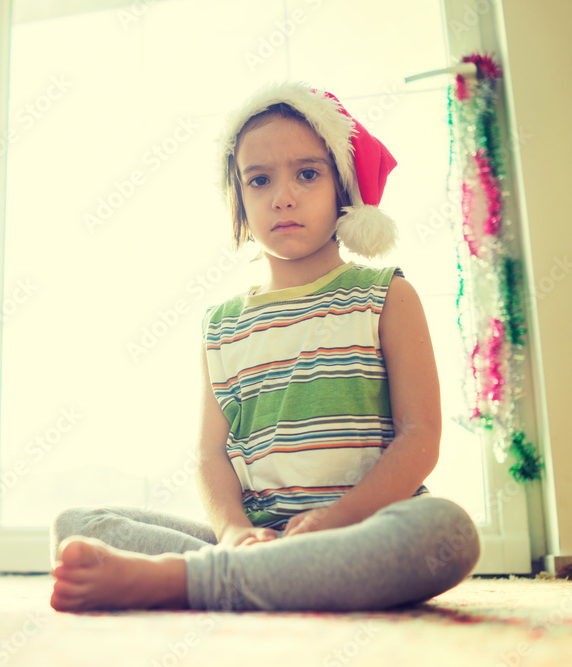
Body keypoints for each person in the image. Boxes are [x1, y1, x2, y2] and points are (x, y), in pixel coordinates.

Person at [50, 82, 481, 612]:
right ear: (240, 199)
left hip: (362, 530)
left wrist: (335, 520)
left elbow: (421, 437)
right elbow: (211, 454)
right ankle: (244, 572)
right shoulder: (221, 325)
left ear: (343, 187)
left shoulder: (386, 296)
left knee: (447, 531)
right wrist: (233, 532)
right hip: (263, 537)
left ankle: (189, 582)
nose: (283, 197)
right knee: (77, 526)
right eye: (259, 180)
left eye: (308, 174)